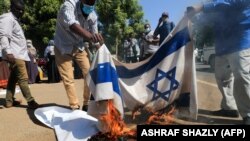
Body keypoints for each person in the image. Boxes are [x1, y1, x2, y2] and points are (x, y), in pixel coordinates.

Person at [187, 0, 250, 124]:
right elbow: (209, 18)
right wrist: (195, 19)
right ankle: (229, 107)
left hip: (240, 41)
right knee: (222, 78)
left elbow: (233, 3)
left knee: (242, 76)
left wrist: (201, 7)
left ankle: (248, 114)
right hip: (222, 45)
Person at [54, 0, 103, 111]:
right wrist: (90, 36)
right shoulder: (69, 5)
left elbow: (94, 37)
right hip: (62, 46)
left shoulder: (93, 16)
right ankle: (74, 106)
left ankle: (87, 103)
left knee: (89, 73)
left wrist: (102, 50)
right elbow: (72, 24)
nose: (90, 6)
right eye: (88, 2)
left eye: (92, 3)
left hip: (79, 46)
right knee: (68, 78)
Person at [0, 0, 39, 109]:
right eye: (18, 9)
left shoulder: (15, 20)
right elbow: (3, 36)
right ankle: (31, 101)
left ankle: (9, 101)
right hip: (14, 54)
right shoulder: (7, 18)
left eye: (22, 10)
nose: (21, 11)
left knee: (13, 78)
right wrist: (8, 52)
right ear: (11, 7)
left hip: (18, 54)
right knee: (23, 77)